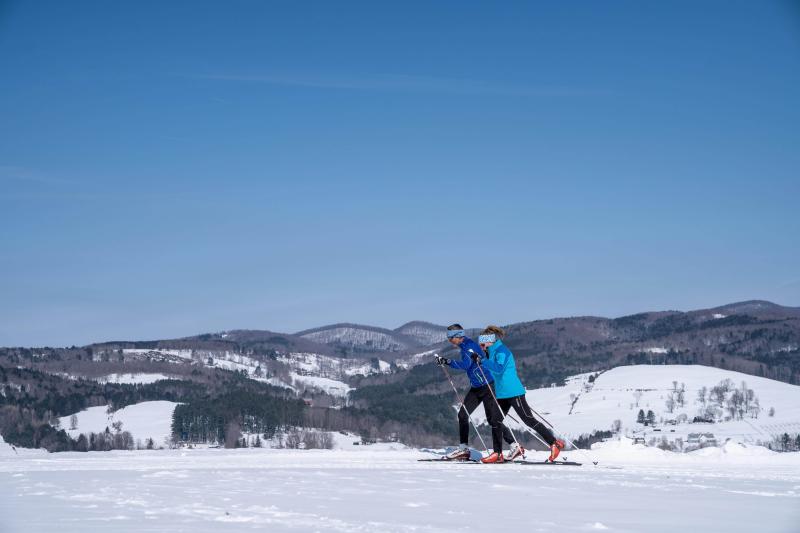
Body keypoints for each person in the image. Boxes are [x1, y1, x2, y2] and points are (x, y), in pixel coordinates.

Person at [477, 325, 565, 462]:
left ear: (490, 341)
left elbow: (499, 369)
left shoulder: (502, 351)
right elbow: (492, 367)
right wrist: (481, 359)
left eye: (482, 344)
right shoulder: (492, 352)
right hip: (502, 394)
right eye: (480, 344)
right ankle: (497, 453)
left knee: (528, 420)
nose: (481, 346)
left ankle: (554, 443)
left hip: (513, 392)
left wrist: (483, 361)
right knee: (495, 421)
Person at [436, 324, 506, 463]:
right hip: (477, 387)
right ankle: (463, 449)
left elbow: (465, 365)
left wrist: (447, 361)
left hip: (487, 385)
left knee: (493, 419)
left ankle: (510, 447)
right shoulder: (465, 345)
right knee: (463, 414)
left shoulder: (468, 347)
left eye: (451, 338)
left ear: (458, 336)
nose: (449, 340)